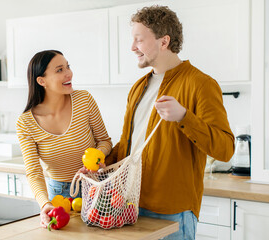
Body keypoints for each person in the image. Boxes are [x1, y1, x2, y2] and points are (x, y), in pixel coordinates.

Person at [105, 5, 235, 239]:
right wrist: (100, 164)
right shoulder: (138, 88)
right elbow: (128, 144)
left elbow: (225, 149)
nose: (132, 47)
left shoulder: (201, 84)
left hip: (173, 210)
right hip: (130, 205)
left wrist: (184, 117)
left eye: (139, 40)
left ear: (163, 42)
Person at [16, 50, 112, 229]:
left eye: (68, 67)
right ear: (41, 81)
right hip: (59, 198)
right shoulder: (26, 123)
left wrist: (97, 157)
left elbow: (105, 141)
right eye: (59, 70)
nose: (69, 73)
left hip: (94, 187)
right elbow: (34, 172)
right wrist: (45, 204)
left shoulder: (84, 100)